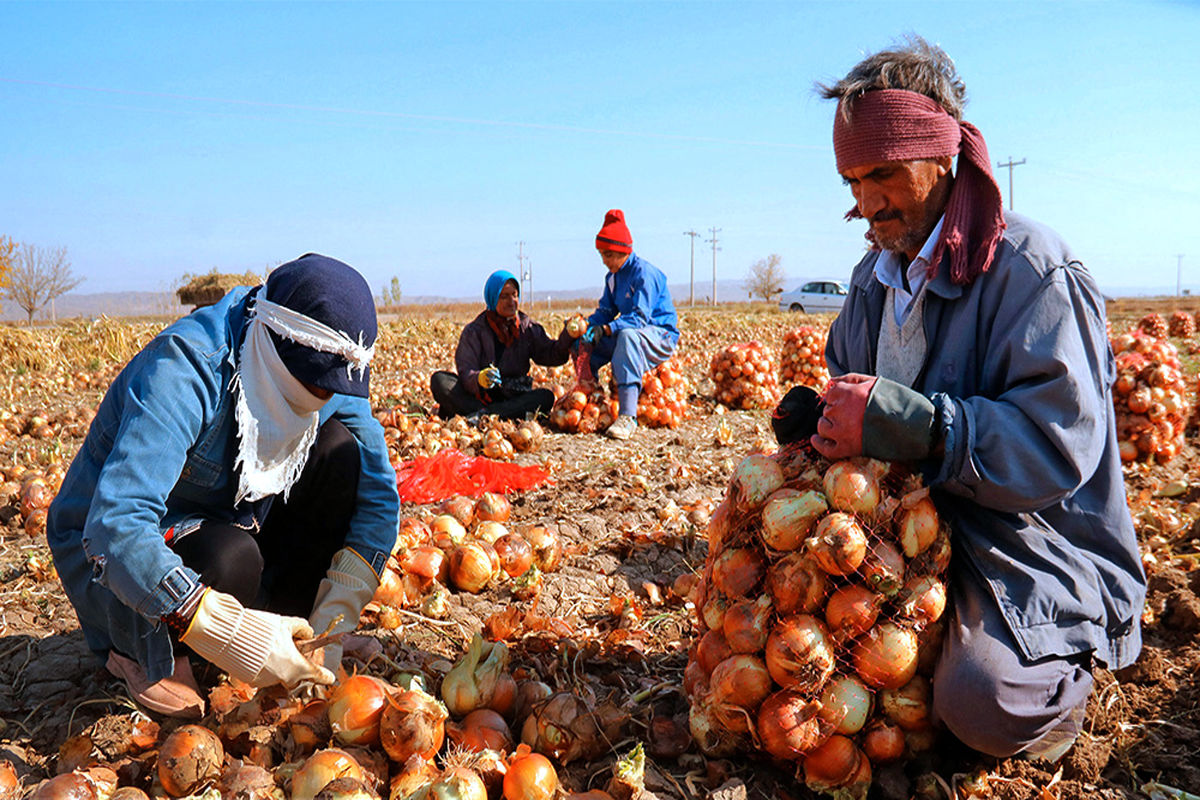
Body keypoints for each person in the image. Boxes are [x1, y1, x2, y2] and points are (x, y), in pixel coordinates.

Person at [810, 37, 1144, 761]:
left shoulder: (1032, 269)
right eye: (853, 181)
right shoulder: (874, 277)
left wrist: (923, 428)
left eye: (884, 174)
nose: (866, 203)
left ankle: (1068, 678)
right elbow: (846, 380)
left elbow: (1057, 447)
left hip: (1028, 536)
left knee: (979, 702)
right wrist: (817, 417)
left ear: (941, 157)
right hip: (912, 522)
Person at [47, 254, 399, 719]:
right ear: (277, 354)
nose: (326, 398)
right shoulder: (186, 369)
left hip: (236, 515)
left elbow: (378, 492)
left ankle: (294, 634)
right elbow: (116, 528)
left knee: (338, 450)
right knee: (232, 558)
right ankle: (149, 653)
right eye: (316, 388)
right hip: (120, 551)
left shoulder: (327, 369)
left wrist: (338, 606)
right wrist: (216, 623)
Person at [583, 209, 680, 440]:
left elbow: (639, 318)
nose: (605, 261)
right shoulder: (612, 278)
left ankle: (627, 416)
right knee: (586, 344)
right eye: (602, 255)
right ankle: (589, 397)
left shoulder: (644, 274)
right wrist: (586, 327)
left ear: (623, 251)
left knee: (627, 336)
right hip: (633, 332)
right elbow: (605, 312)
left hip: (660, 335)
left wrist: (607, 329)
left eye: (608, 255)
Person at [431, 269, 573, 421]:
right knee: (440, 381)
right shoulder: (474, 331)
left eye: (514, 295)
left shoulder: (527, 328)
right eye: (504, 296)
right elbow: (466, 371)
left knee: (546, 397)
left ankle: (482, 415)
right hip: (480, 397)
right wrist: (479, 378)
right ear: (492, 298)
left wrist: (569, 335)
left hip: (514, 396)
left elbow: (551, 354)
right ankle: (492, 414)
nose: (511, 301)